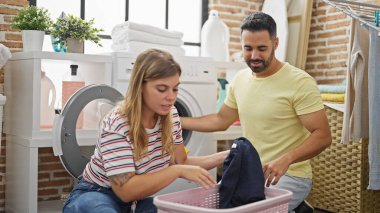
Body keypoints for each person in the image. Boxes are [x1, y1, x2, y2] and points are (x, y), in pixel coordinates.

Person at [181, 12, 332, 213]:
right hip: (250, 171)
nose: (254, 56)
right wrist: (176, 120)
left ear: (275, 43)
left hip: (290, 174)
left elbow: (323, 136)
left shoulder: (300, 82)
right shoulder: (240, 80)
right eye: (248, 48)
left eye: (262, 48)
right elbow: (220, 120)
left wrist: (286, 159)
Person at [63, 49, 229, 213]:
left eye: (175, 89)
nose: (171, 97)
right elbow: (125, 191)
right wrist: (177, 171)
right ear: (140, 86)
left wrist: (227, 155)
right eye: (162, 89)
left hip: (134, 203)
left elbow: (181, 162)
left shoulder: (171, 116)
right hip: (96, 194)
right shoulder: (117, 123)